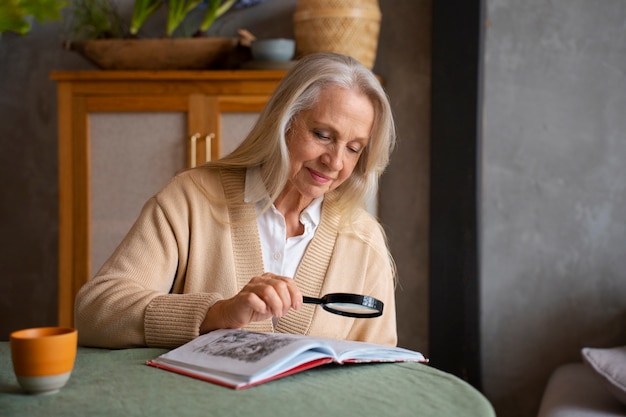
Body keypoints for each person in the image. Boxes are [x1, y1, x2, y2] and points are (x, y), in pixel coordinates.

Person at [75, 52, 398, 349]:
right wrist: (216, 313)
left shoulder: (363, 239)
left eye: (354, 148)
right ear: (284, 123)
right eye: (323, 135)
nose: (335, 161)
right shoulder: (191, 198)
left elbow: (382, 368)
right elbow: (95, 311)